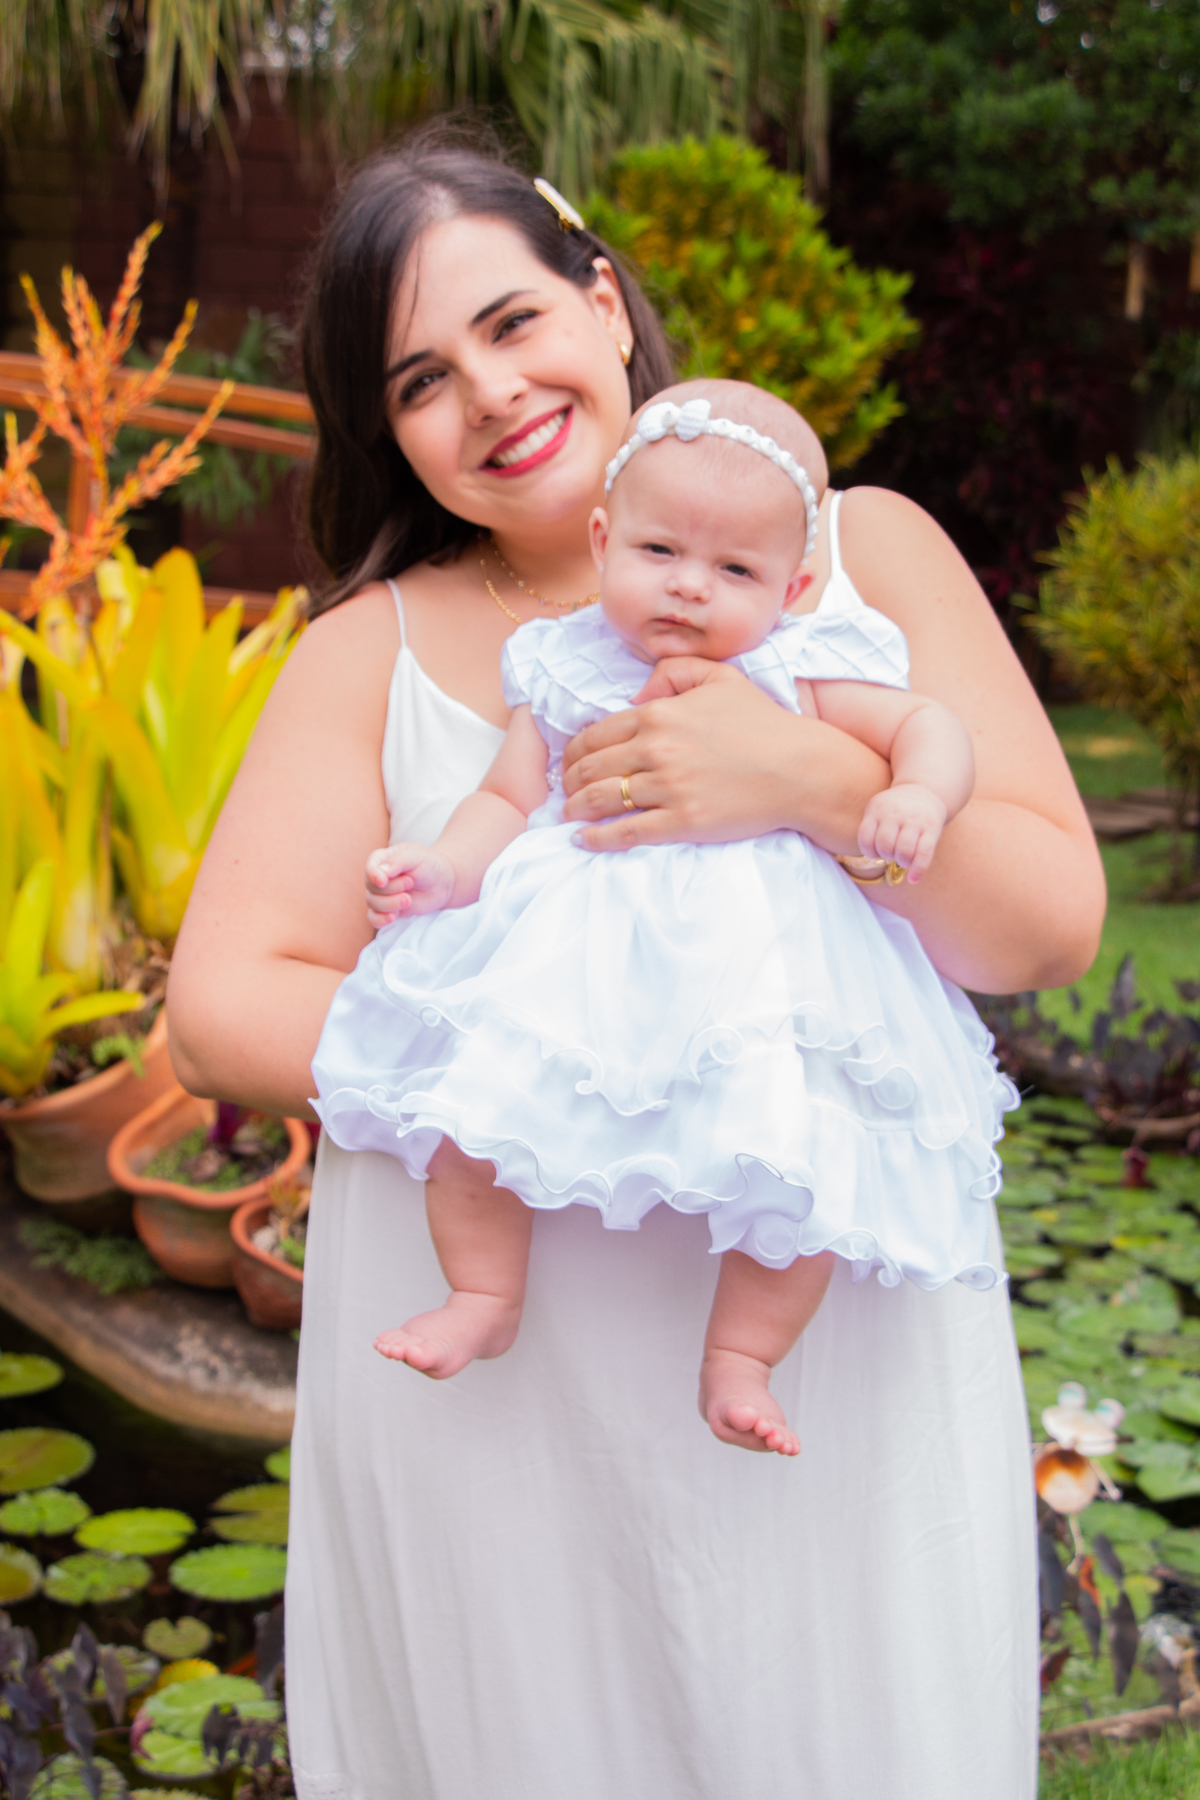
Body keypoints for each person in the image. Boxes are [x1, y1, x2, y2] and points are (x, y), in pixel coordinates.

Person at [167, 128, 1105, 1800]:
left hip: (823, 1358)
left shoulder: (856, 562)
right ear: (388, 432)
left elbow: (1044, 923)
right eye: (420, 381)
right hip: (507, 1405)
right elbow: (222, 1006)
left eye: (513, 322)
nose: (490, 395)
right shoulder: (371, 652)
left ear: (602, 303)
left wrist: (810, 783)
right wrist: (561, 1052)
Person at [312, 377, 1009, 1461]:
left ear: (794, 586)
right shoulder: (564, 665)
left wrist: (917, 794)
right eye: (659, 551)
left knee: (806, 1167)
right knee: (475, 1120)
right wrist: (442, 870)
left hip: (758, 981)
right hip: (576, 963)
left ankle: (742, 1358)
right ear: (604, 540)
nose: (689, 586)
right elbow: (506, 796)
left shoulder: (796, 666)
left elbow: (932, 726)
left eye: (735, 571)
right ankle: (483, 1294)